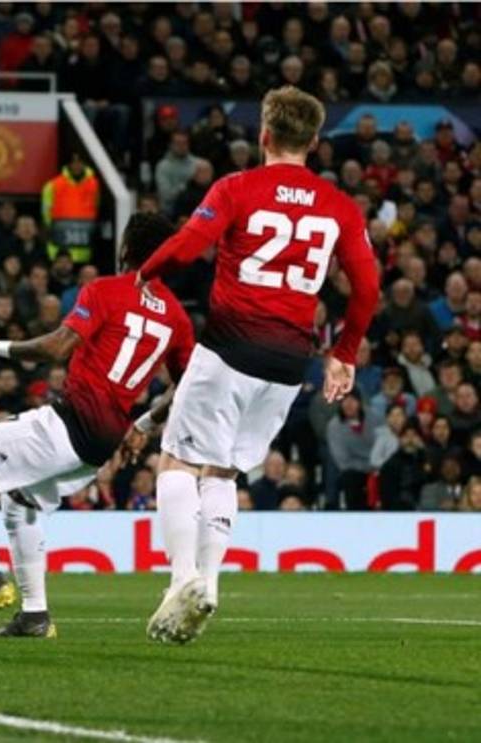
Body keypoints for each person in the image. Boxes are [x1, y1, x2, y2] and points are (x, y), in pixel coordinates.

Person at [136, 86, 380, 644]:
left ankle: (180, 581)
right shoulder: (339, 205)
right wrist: (342, 353)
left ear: (264, 135)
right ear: (314, 142)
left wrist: (142, 275)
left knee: (175, 461)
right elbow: (367, 287)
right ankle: (211, 584)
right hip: (288, 363)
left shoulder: (237, 187)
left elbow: (187, 245)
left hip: (228, 347)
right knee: (223, 471)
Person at [0, 213, 195, 638]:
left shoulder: (106, 290)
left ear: (127, 249)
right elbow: (187, 386)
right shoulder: (177, 318)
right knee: (20, 503)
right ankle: (34, 616)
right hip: (103, 442)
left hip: (71, 421)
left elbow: (58, 346)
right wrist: (145, 423)